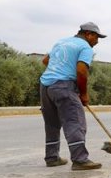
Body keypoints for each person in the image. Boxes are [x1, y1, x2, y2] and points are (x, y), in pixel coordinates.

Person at [39, 22, 106, 170]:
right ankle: (80, 160)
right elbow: (81, 71)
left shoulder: (61, 42)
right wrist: (83, 94)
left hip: (46, 86)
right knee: (75, 122)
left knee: (52, 123)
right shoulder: (85, 47)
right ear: (88, 34)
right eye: (96, 37)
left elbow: (45, 60)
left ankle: (52, 157)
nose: (97, 41)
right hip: (64, 86)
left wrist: (59, 68)